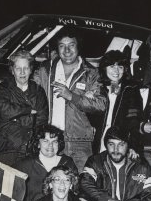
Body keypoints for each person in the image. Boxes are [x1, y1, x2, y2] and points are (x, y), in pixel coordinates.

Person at [33, 27, 106, 172]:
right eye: (62, 46)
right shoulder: (45, 70)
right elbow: (29, 92)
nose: (67, 50)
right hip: (50, 140)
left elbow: (101, 105)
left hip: (79, 141)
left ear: (78, 47)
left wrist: (72, 96)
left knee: (80, 185)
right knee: (49, 185)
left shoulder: (91, 73)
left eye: (71, 45)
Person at [0, 50, 48, 166]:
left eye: (26, 68)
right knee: (8, 183)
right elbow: (4, 110)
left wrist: (16, 119)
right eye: (18, 68)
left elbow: (41, 120)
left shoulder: (38, 91)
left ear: (31, 69)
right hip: (8, 148)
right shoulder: (3, 89)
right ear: (12, 70)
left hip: (32, 149)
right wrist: (28, 111)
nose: (22, 72)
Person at [15, 124, 77, 201]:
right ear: (38, 144)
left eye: (54, 141)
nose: (50, 145)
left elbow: (75, 189)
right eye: (45, 141)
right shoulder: (26, 164)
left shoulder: (67, 162)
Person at [91, 50, 142, 154]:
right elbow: (92, 120)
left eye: (120, 67)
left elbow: (134, 121)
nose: (116, 71)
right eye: (112, 66)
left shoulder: (131, 89)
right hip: (99, 140)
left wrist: (132, 146)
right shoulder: (97, 88)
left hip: (120, 141)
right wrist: (89, 99)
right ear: (104, 68)